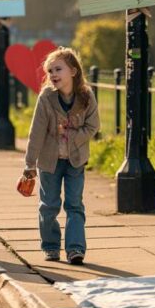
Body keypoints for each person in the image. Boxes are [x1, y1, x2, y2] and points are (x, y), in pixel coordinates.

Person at [22, 48, 100, 265]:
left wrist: (71, 134)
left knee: (75, 204)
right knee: (48, 205)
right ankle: (51, 246)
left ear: (73, 71)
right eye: (50, 70)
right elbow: (36, 131)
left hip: (76, 160)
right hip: (49, 162)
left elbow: (93, 126)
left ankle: (75, 248)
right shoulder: (46, 97)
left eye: (58, 69)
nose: (53, 74)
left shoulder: (86, 96)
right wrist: (29, 163)